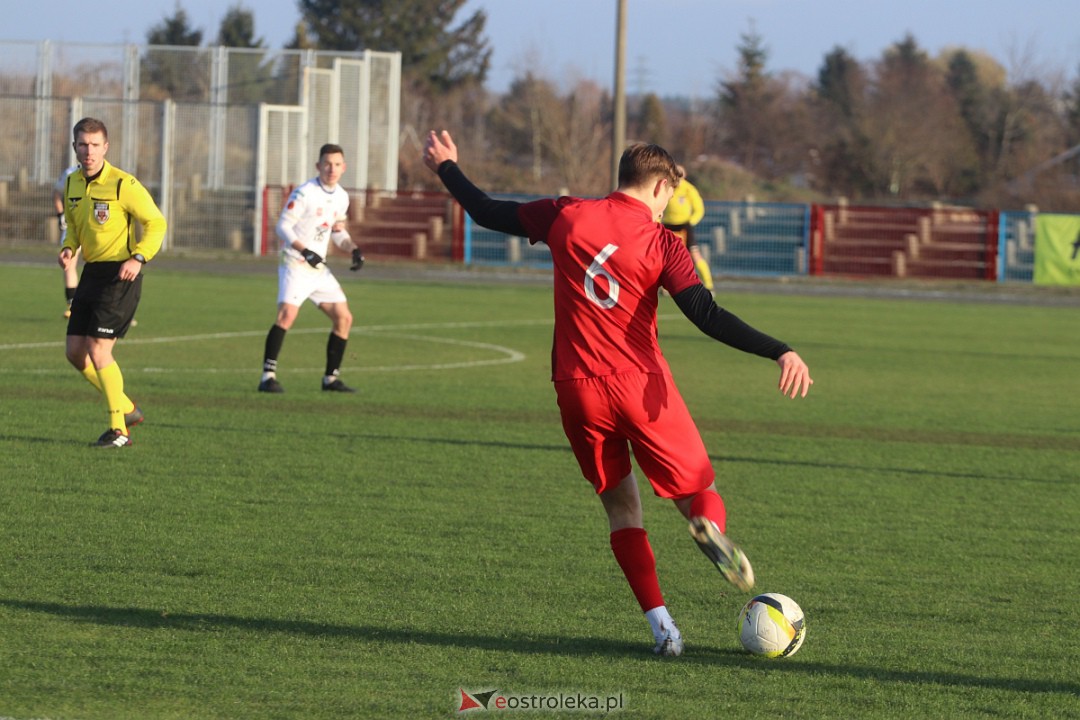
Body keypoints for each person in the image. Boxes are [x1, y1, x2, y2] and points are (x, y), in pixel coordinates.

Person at [423, 130, 813, 657]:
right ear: (657, 186)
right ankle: (708, 526)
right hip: (639, 383)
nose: (668, 210)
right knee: (696, 486)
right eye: (669, 199)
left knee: (621, 507)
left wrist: (448, 166)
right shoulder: (662, 244)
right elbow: (706, 315)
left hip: (577, 387)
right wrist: (779, 350)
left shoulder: (567, 214)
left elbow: (487, 212)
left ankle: (663, 628)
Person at [58, 117, 166, 448]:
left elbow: (156, 223)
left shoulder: (123, 184)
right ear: (74, 147)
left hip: (121, 273)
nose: (88, 151)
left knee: (98, 348)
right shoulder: (72, 183)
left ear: (106, 147)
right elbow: (75, 226)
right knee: (75, 353)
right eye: (82, 144)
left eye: (95, 145)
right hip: (92, 273)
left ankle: (119, 429)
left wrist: (138, 257)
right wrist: (68, 246)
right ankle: (128, 407)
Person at [258, 143, 365, 394]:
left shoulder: (341, 197)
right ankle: (267, 377)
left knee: (344, 318)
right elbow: (282, 227)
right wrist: (304, 249)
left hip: (318, 269)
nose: (332, 169)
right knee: (287, 315)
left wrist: (353, 249)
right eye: (327, 164)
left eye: (337, 164)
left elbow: (337, 231)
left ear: (344, 167)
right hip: (295, 263)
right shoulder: (305, 193)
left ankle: (330, 379)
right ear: (318, 166)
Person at [661, 164, 713, 293]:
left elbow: (699, 209)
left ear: (684, 176)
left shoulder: (689, 189)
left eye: (680, 175)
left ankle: (709, 285)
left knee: (694, 255)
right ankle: (665, 288)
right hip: (667, 226)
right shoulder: (665, 187)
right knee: (664, 258)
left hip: (684, 226)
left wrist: (691, 222)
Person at [53, 164, 80, 318]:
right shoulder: (70, 173)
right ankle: (72, 306)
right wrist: (61, 214)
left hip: (96, 229)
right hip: (73, 228)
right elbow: (57, 193)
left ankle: (116, 309)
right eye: (82, 145)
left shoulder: (107, 174)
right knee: (68, 263)